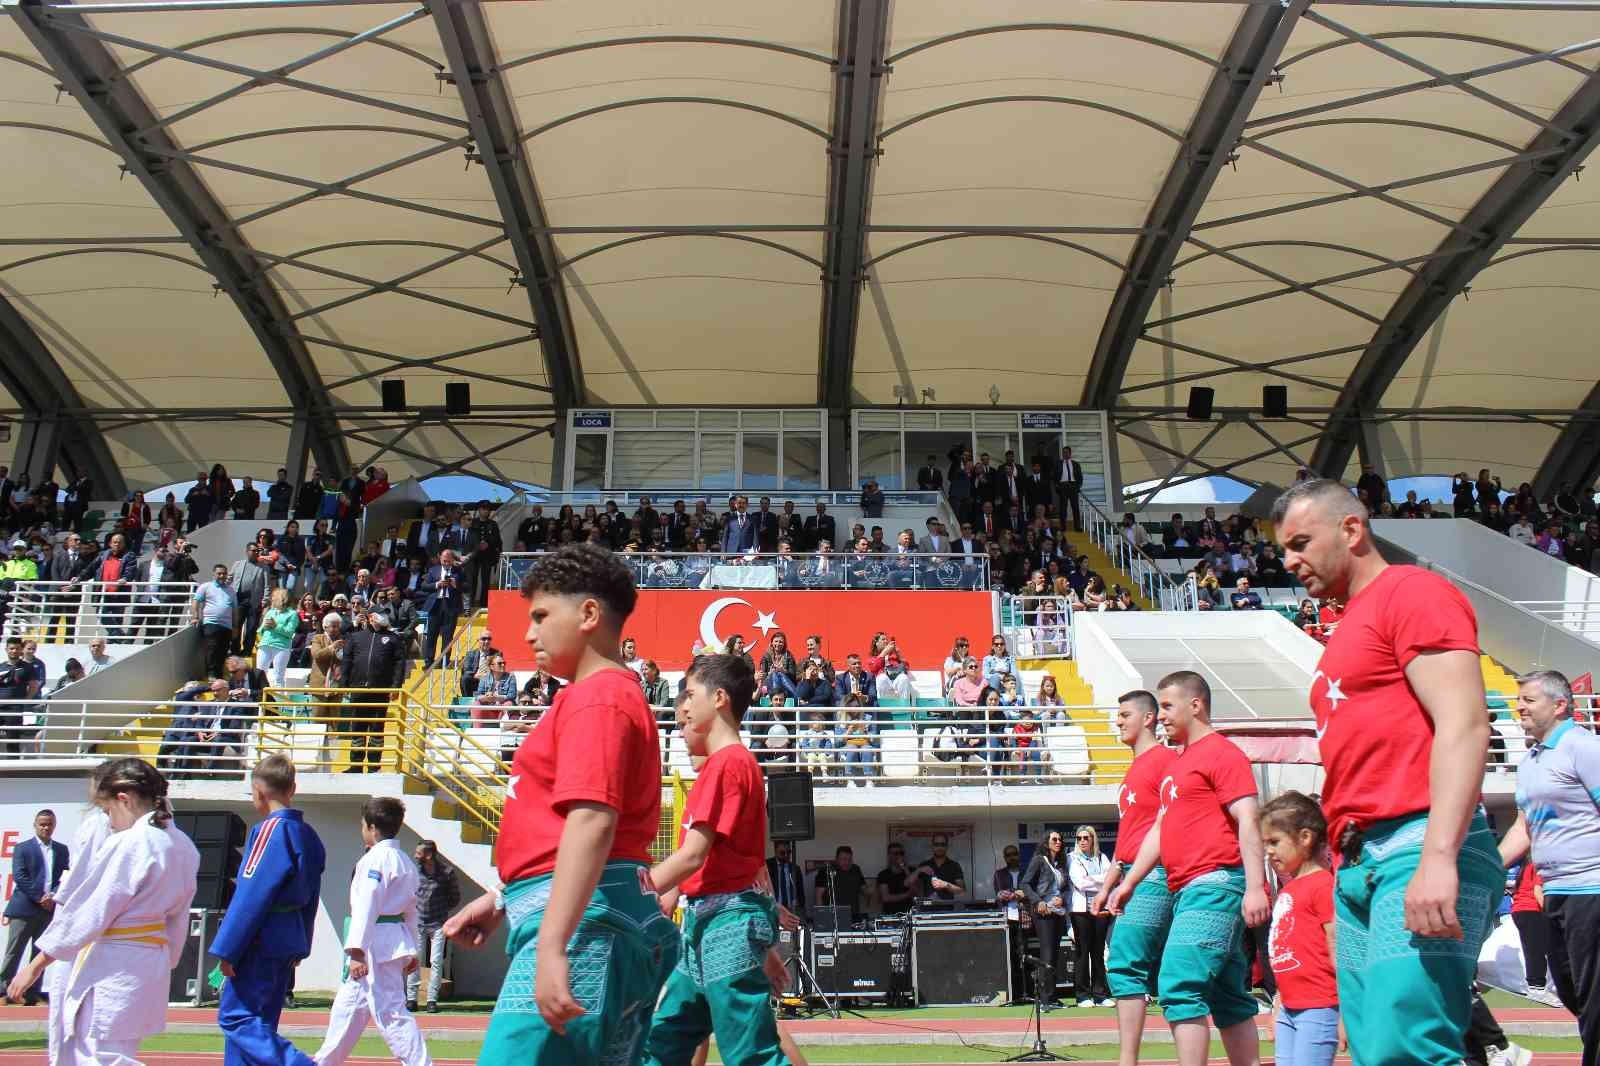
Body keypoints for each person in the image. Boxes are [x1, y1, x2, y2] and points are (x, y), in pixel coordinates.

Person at [1274, 478, 1502, 1066]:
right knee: (1378, 1051)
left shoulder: (1412, 593)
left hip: (1415, 843)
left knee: (1408, 1047)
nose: (1289, 560)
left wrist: (1439, 855)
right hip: (1359, 863)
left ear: (1353, 529)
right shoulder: (1345, 627)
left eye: (1301, 542)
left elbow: (1465, 725)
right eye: (1284, 548)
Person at [442, 543, 677, 1065]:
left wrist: (553, 944)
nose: (529, 633)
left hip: (585, 924)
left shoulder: (597, 697)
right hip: (595, 915)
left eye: (542, 616)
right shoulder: (602, 696)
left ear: (589, 613)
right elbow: (567, 827)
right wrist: (505, 899)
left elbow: (592, 820)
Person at [1106, 671, 1268, 1066]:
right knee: (1228, 995)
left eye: (1166, 706)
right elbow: (1161, 830)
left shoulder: (1222, 753)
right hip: (1188, 889)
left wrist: (1256, 886)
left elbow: (1248, 817)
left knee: (1179, 985)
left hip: (1213, 883)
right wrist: (1129, 882)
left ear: (1195, 705)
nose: (1161, 716)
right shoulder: (1180, 764)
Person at [640, 654, 787, 1066]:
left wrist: (636, 888)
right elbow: (743, 861)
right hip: (712, 920)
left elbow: (692, 855)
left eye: (689, 695)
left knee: (749, 1053)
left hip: (725, 922)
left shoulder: (728, 764)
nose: (681, 706)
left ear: (720, 698)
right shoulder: (731, 765)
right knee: (665, 1040)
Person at [4, 759, 200, 1064]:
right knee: (108, 1050)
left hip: (115, 963)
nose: (108, 821)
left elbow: (92, 912)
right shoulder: (184, 846)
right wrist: (167, 959)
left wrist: (37, 964)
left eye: (108, 811)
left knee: (97, 1054)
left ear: (124, 799)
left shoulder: (130, 843)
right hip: (150, 961)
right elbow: (179, 917)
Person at [1496, 669, 1600, 1062]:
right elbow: (1525, 827)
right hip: (1553, 893)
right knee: (1570, 990)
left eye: (1528, 700)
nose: (1519, 706)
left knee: (1594, 996)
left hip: (1591, 890)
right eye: (1519, 699)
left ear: (1559, 705)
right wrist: (1489, 868)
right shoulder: (1533, 760)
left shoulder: (1582, 747)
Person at [210, 756, 327, 1066]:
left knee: (237, 1018)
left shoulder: (268, 831)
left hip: (259, 938)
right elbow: (312, 896)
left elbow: (250, 895)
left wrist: (227, 949)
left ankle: (299, 1064)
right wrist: (303, 942)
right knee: (260, 1022)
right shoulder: (309, 836)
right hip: (288, 936)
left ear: (258, 791)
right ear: (293, 788)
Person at [1092, 690, 1180, 1066]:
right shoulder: (1132, 771)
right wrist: (1108, 883)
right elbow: (1129, 833)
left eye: (1125, 714)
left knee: (1127, 964)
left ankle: (1128, 1061)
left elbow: (1165, 826)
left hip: (1154, 873)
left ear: (1149, 718)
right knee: (1146, 967)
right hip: (1131, 872)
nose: (1118, 720)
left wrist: (1128, 880)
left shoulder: (1165, 761)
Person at [311, 797, 432, 1066]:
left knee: (391, 1012)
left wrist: (356, 951)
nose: (362, 829)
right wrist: (413, 948)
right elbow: (413, 911)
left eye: (363, 825)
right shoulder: (405, 862)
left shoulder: (375, 860)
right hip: (390, 939)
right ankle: (324, 1062)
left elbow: (367, 905)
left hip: (376, 944)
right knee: (348, 1008)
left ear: (373, 827)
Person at [1260, 791, 1343, 1066]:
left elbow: (1337, 945)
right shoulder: (1290, 888)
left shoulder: (1322, 886)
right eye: (1265, 843)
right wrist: (1279, 1003)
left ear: (1305, 838)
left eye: (1274, 842)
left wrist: (1346, 1011)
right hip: (1289, 1007)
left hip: (1319, 1007)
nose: (1268, 851)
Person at [0, 810, 67, 1004]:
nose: (46, 827)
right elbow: (20, 877)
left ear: (54, 825)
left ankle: (31, 993)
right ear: (35, 825)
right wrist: (40, 897)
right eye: (42, 824)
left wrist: (53, 895)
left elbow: (64, 875)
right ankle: (4, 992)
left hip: (48, 910)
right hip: (24, 908)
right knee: (13, 952)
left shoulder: (61, 849)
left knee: (40, 954)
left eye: (49, 824)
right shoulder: (23, 848)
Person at [340, 611, 406, 771]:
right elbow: (347, 660)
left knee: (377, 728)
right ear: (371, 617)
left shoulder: (393, 638)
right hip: (358, 689)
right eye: (380, 614)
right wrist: (344, 685)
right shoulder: (356, 637)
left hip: (380, 690)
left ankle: (374, 766)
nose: (383, 617)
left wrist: (396, 686)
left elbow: (399, 664)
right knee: (357, 727)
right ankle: (355, 766)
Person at [407, 840, 461, 1014]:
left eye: (419, 853)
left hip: (438, 923)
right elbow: (409, 893)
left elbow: (454, 897)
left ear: (429, 855)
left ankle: (432, 1000)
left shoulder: (447, 872)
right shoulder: (415, 871)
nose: (415, 856)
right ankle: (411, 999)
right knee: (415, 959)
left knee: (436, 961)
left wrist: (443, 910)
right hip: (418, 921)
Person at [1020, 830, 1070, 1009]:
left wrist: (1062, 897)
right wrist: (1038, 901)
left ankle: (1053, 997)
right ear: (1046, 842)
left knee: (1055, 955)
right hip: (1043, 912)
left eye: (1060, 839)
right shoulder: (1039, 860)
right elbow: (1025, 884)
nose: (1058, 841)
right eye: (1054, 839)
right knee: (1047, 954)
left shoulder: (1061, 863)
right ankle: (1045, 999)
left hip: (1058, 911)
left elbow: (1066, 887)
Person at [1069, 825, 1113, 1008]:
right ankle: (1082, 995)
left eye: (1086, 838)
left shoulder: (1102, 857)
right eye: (1079, 838)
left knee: (1098, 951)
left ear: (1093, 839)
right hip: (1081, 911)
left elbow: (1113, 878)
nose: (1082, 841)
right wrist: (1101, 880)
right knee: (1082, 952)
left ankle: (1100, 995)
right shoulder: (1072, 858)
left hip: (1101, 910)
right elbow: (1080, 883)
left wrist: (1093, 879)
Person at [992, 844, 1031, 1004]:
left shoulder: (1027, 872)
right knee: (1010, 956)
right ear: (1004, 857)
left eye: (1014, 854)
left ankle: (1026, 991)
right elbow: (998, 894)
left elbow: (1033, 892)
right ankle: (1013, 992)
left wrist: (1022, 894)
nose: (1011, 857)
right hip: (1007, 918)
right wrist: (1004, 894)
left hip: (1025, 917)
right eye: (1008, 855)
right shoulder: (999, 874)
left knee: (1025, 955)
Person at [420, 548, 465, 667]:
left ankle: (444, 661)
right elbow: (424, 586)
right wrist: (437, 584)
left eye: (448, 561)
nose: (446, 564)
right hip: (436, 605)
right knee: (431, 634)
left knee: (448, 635)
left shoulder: (459, 571)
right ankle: (428, 661)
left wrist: (456, 585)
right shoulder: (433, 570)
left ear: (452, 560)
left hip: (451, 606)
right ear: (440, 559)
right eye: (444, 561)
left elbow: (467, 588)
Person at [194, 563, 238, 679]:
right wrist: (195, 617)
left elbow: (234, 610)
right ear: (214, 574)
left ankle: (219, 675)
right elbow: (196, 602)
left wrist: (235, 627)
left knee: (222, 651)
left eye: (224, 573)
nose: (222, 576)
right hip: (211, 623)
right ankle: (211, 674)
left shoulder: (231, 591)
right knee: (211, 649)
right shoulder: (206, 586)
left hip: (227, 626)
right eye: (219, 573)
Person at [256, 587, 300, 688]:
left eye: (274, 597)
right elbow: (260, 631)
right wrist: (264, 628)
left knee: (278, 677)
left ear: (281, 598)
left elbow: (289, 632)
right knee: (259, 673)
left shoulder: (292, 614)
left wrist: (275, 626)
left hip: (281, 647)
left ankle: (278, 702)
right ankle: (258, 697)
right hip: (265, 644)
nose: (272, 599)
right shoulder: (271, 612)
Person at [815, 846, 867, 921]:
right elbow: (818, 895)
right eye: (844, 859)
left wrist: (870, 891)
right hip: (833, 915)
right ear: (836, 859)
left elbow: (864, 889)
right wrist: (821, 916)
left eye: (849, 860)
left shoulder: (856, 869)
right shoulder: (826, 871)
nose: (847, 862)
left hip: (853, 915)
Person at [914, 835, 966, 900]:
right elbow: (910, 885)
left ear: (947, 846)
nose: (939, 847)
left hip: (947, 908)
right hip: (928, 908)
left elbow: (962, 891)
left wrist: (945, 885)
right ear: (932, 846)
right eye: (936, 844)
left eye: (942, 844)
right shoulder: (924, 865)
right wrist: (918, 870)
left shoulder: (954, 865)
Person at [766, 841, 807, 922]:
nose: (786, 855)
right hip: (774, 908)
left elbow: (800, 892)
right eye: (782, 853)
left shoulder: (795, 868)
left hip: (792, 909)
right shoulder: (768, 866)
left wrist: (801, 909)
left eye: (788, 852)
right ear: (775, 852)